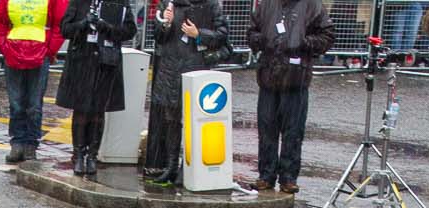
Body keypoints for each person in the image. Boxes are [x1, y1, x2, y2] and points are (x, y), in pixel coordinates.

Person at [246, 0, 333, 194]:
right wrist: (262, 40)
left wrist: (303, 42)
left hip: (296, 77)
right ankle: (266, 175)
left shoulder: (312, 5)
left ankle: (288, 177)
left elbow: (327, 35)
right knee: (267, 127)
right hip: (269, 76)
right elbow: (251, 31)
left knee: (293, 131)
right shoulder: (267, 5)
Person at [140, 0, 225, 188]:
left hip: (196, 68)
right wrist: (165, 24)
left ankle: (187, 168)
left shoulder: (210, 5)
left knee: (193, 122)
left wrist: (199, 34)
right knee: (171, 120)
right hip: (170, 69)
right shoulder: (168, 4)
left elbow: (222, 36)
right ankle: (171, 165)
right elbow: (158, 37)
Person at [55, 0, 136, 179]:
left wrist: (106, 28)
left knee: (98, 111)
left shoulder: (120, 2)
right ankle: (78, 155)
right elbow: (65, 29)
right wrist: (83, 24)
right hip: (82, 61)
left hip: (106, 63)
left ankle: (92, 155)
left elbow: (130, 31)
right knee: (81, 110)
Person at [0, 0, 66, 165]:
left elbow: (59, 24)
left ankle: (30, 145)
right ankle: (18, 143)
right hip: (15, 51)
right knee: (17, 103)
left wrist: (49, 50)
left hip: (38, 54)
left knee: (34, 105)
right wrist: (4, 47)